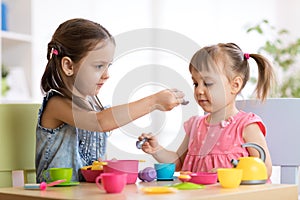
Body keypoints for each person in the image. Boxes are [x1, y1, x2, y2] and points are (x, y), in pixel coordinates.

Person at [35, 18, 186, 183]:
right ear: (69, 66)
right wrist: (154, 101)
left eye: (108, 66)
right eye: (99, 66)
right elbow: (100, 122)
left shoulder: (94, 105)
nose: (107, 75)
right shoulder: (57, 104)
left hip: (89, 194)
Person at [138, 42, 274, 178]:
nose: (199, 90)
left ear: (235, 85)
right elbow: (178, 162)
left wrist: (230, 173)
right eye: (196, 83)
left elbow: (265, 170)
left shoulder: (246, 126)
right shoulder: (195, 126)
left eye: (208, 83)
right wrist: (157, 150)